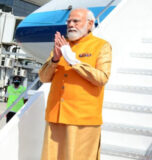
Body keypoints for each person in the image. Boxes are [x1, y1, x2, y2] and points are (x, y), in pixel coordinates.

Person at [38, 8, 112, 160]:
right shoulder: (62, 46)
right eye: (69, 21)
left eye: (76, 21)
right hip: (56, 116)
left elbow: (102, 78)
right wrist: (55, 60)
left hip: (82, 119)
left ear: (90, 24)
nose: (71, 24)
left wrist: (73, 61)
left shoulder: (101, 46)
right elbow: (44, 78)